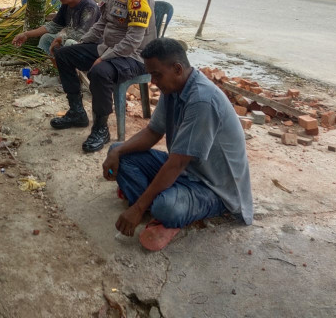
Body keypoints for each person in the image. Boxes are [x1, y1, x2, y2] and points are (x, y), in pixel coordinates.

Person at [103, 38, 254, 251]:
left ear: (177, 68)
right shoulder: (173, 88)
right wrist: (118, 150)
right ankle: (159, 202)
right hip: (186, 171)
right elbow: (152, 132)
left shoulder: (202, 101)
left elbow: (177, 163)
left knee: (166, 207)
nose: (153, 81)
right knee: (117, 152)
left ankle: (161, 208)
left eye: (157, 74)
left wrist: (137, 207)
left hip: (214, 188)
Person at [51, 0, 157, 153]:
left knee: (100, 71)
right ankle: (77, 112)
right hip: (109, 48)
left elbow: (134, 40)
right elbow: (102, 23)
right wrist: (83, 43)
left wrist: (104, 57)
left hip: (135, 57)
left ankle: (101, 128)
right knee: (64, 55)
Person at [11, 0, 98, 59]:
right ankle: (59, 70)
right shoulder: (66, 4)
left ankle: (72, 71)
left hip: (91, 46)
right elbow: (52, 26)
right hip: (68, 38)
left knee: (69, 43)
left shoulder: (89, 7)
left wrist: (61, 35)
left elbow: (82, 35)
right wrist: (26, 34)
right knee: (46, 38)